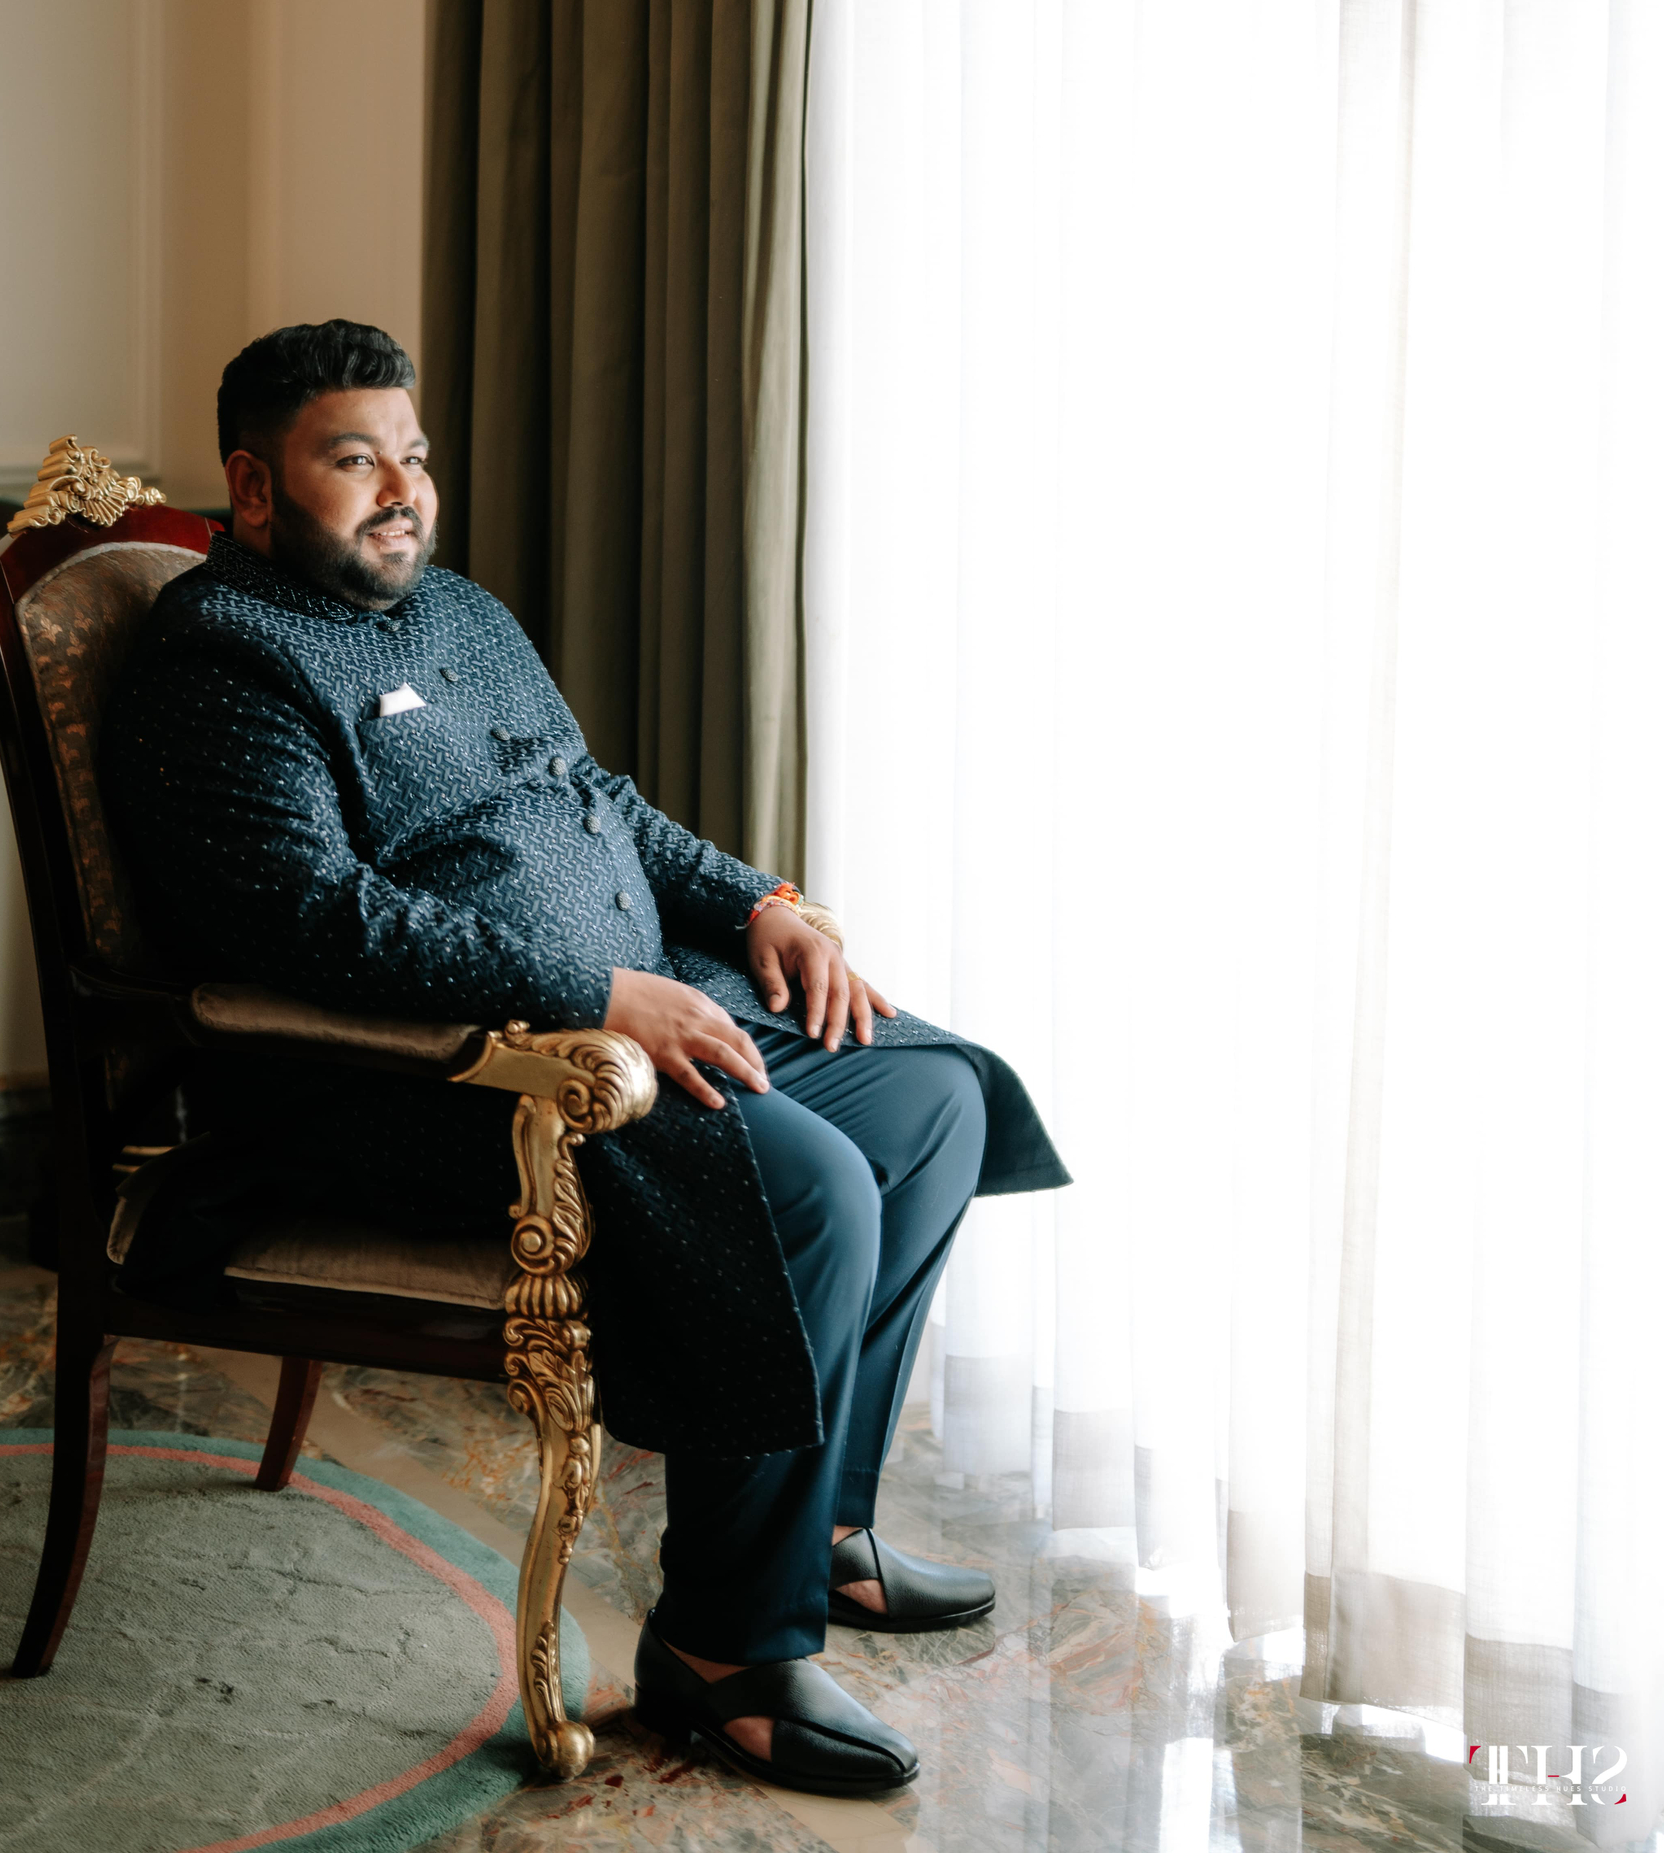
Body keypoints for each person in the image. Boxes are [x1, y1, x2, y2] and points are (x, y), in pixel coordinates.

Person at [104, 320, 1068, 1800]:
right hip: (423, 1081)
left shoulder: (462, 611)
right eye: (355, 460)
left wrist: (758, 902)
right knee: (810, 1186)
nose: (403, 491)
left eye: (414, 455)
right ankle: (722, 1650)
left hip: (640, 1003)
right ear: (252, 484)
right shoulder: (219, 661)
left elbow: (592, 792)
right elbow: (313, 923)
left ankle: (818, 1529)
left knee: (932, 1096)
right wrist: (599, 993)